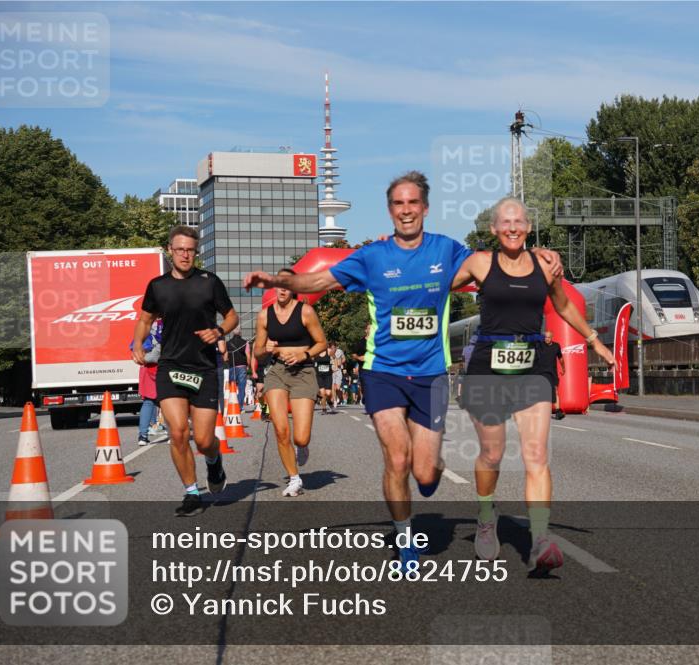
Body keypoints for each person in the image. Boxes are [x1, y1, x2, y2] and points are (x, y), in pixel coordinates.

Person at [244, 171, 564, 567]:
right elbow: (318, 279)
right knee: (396, 459)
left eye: (413, 202)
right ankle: (406, 541)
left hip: (430, 374)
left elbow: (502, 261)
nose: (406, 210)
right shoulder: (372, 257)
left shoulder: (447, 250)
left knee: (425, 475)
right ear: (390, 209)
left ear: (425, 208)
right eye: (399, 203)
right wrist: (274, 279)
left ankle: (435, 469)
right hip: (383, 371)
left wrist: (539, 253)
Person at [452, 197, 614, 573]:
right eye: (505, 222)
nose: (513, 228)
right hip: (488, 365)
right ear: (494, 228)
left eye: (519, 222)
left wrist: (594, 340)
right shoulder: (479, 263)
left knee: (537, 454)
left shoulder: (545, 266)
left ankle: (540, 540)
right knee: (492, 454)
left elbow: (564, 305)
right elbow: (437, 287)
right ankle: (486, 517)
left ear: (528, 227)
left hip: (533, 363)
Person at [133, 225, 239, 517]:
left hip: (203, 368)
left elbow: (231, 317)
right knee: (178, 433)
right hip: (171, 366)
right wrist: (138, 344)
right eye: (179, 249)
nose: (185, 255)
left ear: (196, 252)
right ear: (170, 250)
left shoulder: (209, 282)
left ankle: (214, 461)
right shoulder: (158, 285)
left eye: (190, 250)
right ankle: (191, 492)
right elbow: (145, 319)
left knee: (204, 440)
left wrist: (218, 331)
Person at [254, 268, 328, 497]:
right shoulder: (264, 316)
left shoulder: (305, 311)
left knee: (301, 437)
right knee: (280, 429)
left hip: (303, 372)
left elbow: (322, 343)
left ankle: (302, 446)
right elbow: (257, 352)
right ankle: (294, 478)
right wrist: (265, 349)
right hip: (277, 372)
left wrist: (304, 355)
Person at [135, 319, 164, 446]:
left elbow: (135, 346)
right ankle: (173, 434)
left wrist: (142, 358)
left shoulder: (145, 325)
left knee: (148, 402)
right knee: (168, 401)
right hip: (163, 366)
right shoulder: (166, 324)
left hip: (147, 368)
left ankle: (143, 435)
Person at [537, 330, 566, 420]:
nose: (547, 339)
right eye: (545, 337)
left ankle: (557, 412)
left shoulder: (556, 346)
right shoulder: (539, 345)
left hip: (552, 372)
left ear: (552, 337)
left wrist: (563, 368)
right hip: (541, 372)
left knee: (555, 391)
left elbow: (560, 358)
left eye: (548, 337)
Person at [228, 326, 250, 411]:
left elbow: (225, 357)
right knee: (241, 387)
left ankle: (231, 405)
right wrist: (248, 365)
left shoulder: (228, 343)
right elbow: (248, 356)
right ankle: (239, 407)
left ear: (232, 333)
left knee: (231, 387)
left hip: (231, 367)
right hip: (242, 367)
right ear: (240, 332)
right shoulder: (245, 343)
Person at [314, 348, 334, 414]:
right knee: (323, 393)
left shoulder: (329, 351)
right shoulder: (316, 351)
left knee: (328, 393)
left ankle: (329, 401)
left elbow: (334, 358)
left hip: (328, 375)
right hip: (319, 375)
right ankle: (324, 409)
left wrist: (334, 365)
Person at [330, 341, 345, 409]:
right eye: (331, 348)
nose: (333, 349)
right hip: (332, 371)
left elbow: (344, 359)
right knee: (333, 387)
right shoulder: (329, 352)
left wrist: (341, 362)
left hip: (338, 370)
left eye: (334, 347)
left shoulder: (340, 351)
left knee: (337, 388)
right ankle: (335, 401)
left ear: (336, 347)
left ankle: (340, 396)